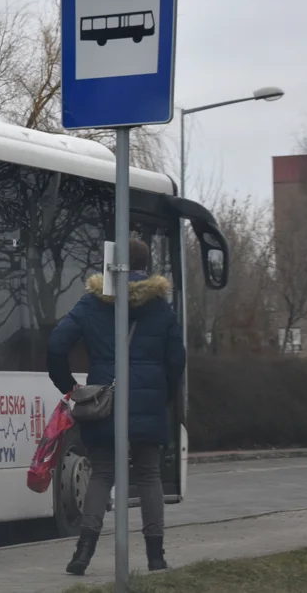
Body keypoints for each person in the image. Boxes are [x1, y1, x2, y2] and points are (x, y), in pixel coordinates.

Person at [46, 239, 186, 575]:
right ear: (146, 264)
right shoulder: (160, 308)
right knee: (149, 475)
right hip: (149, 401)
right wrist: (160, 395)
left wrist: (71, 388)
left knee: (102, 474)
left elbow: (56, 346)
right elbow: (176, 360)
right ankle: (155, 557)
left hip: (103, 403)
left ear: (110, 265)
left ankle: (82, 554)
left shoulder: (91, 304)